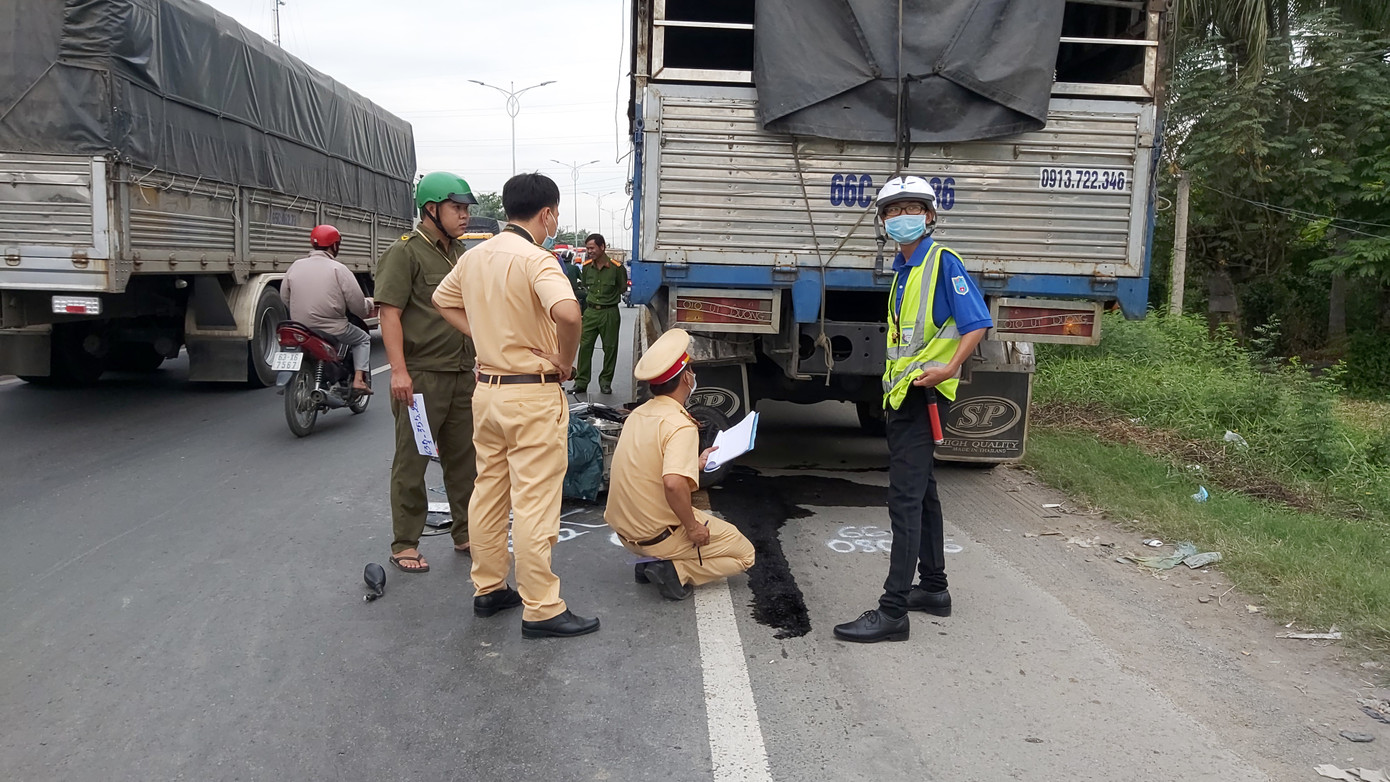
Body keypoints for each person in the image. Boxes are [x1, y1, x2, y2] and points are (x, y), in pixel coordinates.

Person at [431, 172, 598, 639]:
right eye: (556, 214)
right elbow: (568, 312)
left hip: (487, 392)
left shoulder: (475, 256)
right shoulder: (537, 260)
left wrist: (482, 337)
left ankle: (488, 588)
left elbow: (441, 300)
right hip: (531, 394)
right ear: (546, 213)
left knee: (488, 492)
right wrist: (565, 362)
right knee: (534, 501)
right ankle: (541, 607)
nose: (555, 222)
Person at [833, 175, 993, 643]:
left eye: (912, 208)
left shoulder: (943, 262)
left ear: (929, 215)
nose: (902, 217)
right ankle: (934, 589)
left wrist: (948, 370)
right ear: (882, 221)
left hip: (923, 396)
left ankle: (893, 610)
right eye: (892, 210)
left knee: (903, 500)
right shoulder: (904, 271)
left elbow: (976, 323)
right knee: (923, 493)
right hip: (904, 395)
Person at [372, 172, 480, 573]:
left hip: (460, 372)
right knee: (413, 460)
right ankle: (405, 543)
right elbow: (390, 314)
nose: (464, 215)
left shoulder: (457, 254)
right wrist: (398, 372)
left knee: (464, 459)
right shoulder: (406, 252)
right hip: (421, 377)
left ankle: (466, 532)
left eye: (467, 208)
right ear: (431, 209)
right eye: (457, 208)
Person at [604, 328, 755, 600]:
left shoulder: (640, 414)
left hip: (626, 533)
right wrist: (693, 528)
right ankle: (674, 568)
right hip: (656, 535)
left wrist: (694, 463)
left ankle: (651, 560)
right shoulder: (680, 424)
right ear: (687, 377)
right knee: (745, 555)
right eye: (692, 371)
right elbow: (673, 483)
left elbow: (647, 464)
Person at [280, 224, 373, 393]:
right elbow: (357, 305)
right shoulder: (338, 269)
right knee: (363, 339)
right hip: (333, 328)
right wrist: (369, 305)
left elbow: (285, 297)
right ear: (334, 245)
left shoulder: (295, 266)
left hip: (300, 328)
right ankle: (359, 380)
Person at [571, 234, 627, 395]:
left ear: (602, 247)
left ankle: (605, 382)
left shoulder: (616, 268)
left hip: (609, 312)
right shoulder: (587, 267)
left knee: (610, 348)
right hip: (590, 312)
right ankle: (581, 382)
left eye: (592, 248)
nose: (589, 252)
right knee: (585, 347)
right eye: (588, 248)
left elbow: (622, 287)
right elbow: (586, 284)